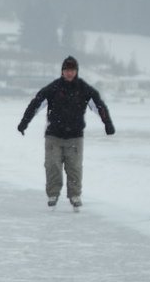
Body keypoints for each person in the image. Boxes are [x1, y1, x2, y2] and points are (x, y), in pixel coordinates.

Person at [17, 55, 115, 209]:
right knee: (52, 166)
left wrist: (107, 123)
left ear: (76, 71)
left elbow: (99, 106)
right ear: (62, 72)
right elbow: (35, 104)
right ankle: (53, 194)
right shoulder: (53, 88)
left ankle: (75, 195)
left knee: (74, 167)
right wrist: (24, 123)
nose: (69, 73)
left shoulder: (84, 89)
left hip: (75, 137)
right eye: (66, 70)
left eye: (72, 70)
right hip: (53, 136)